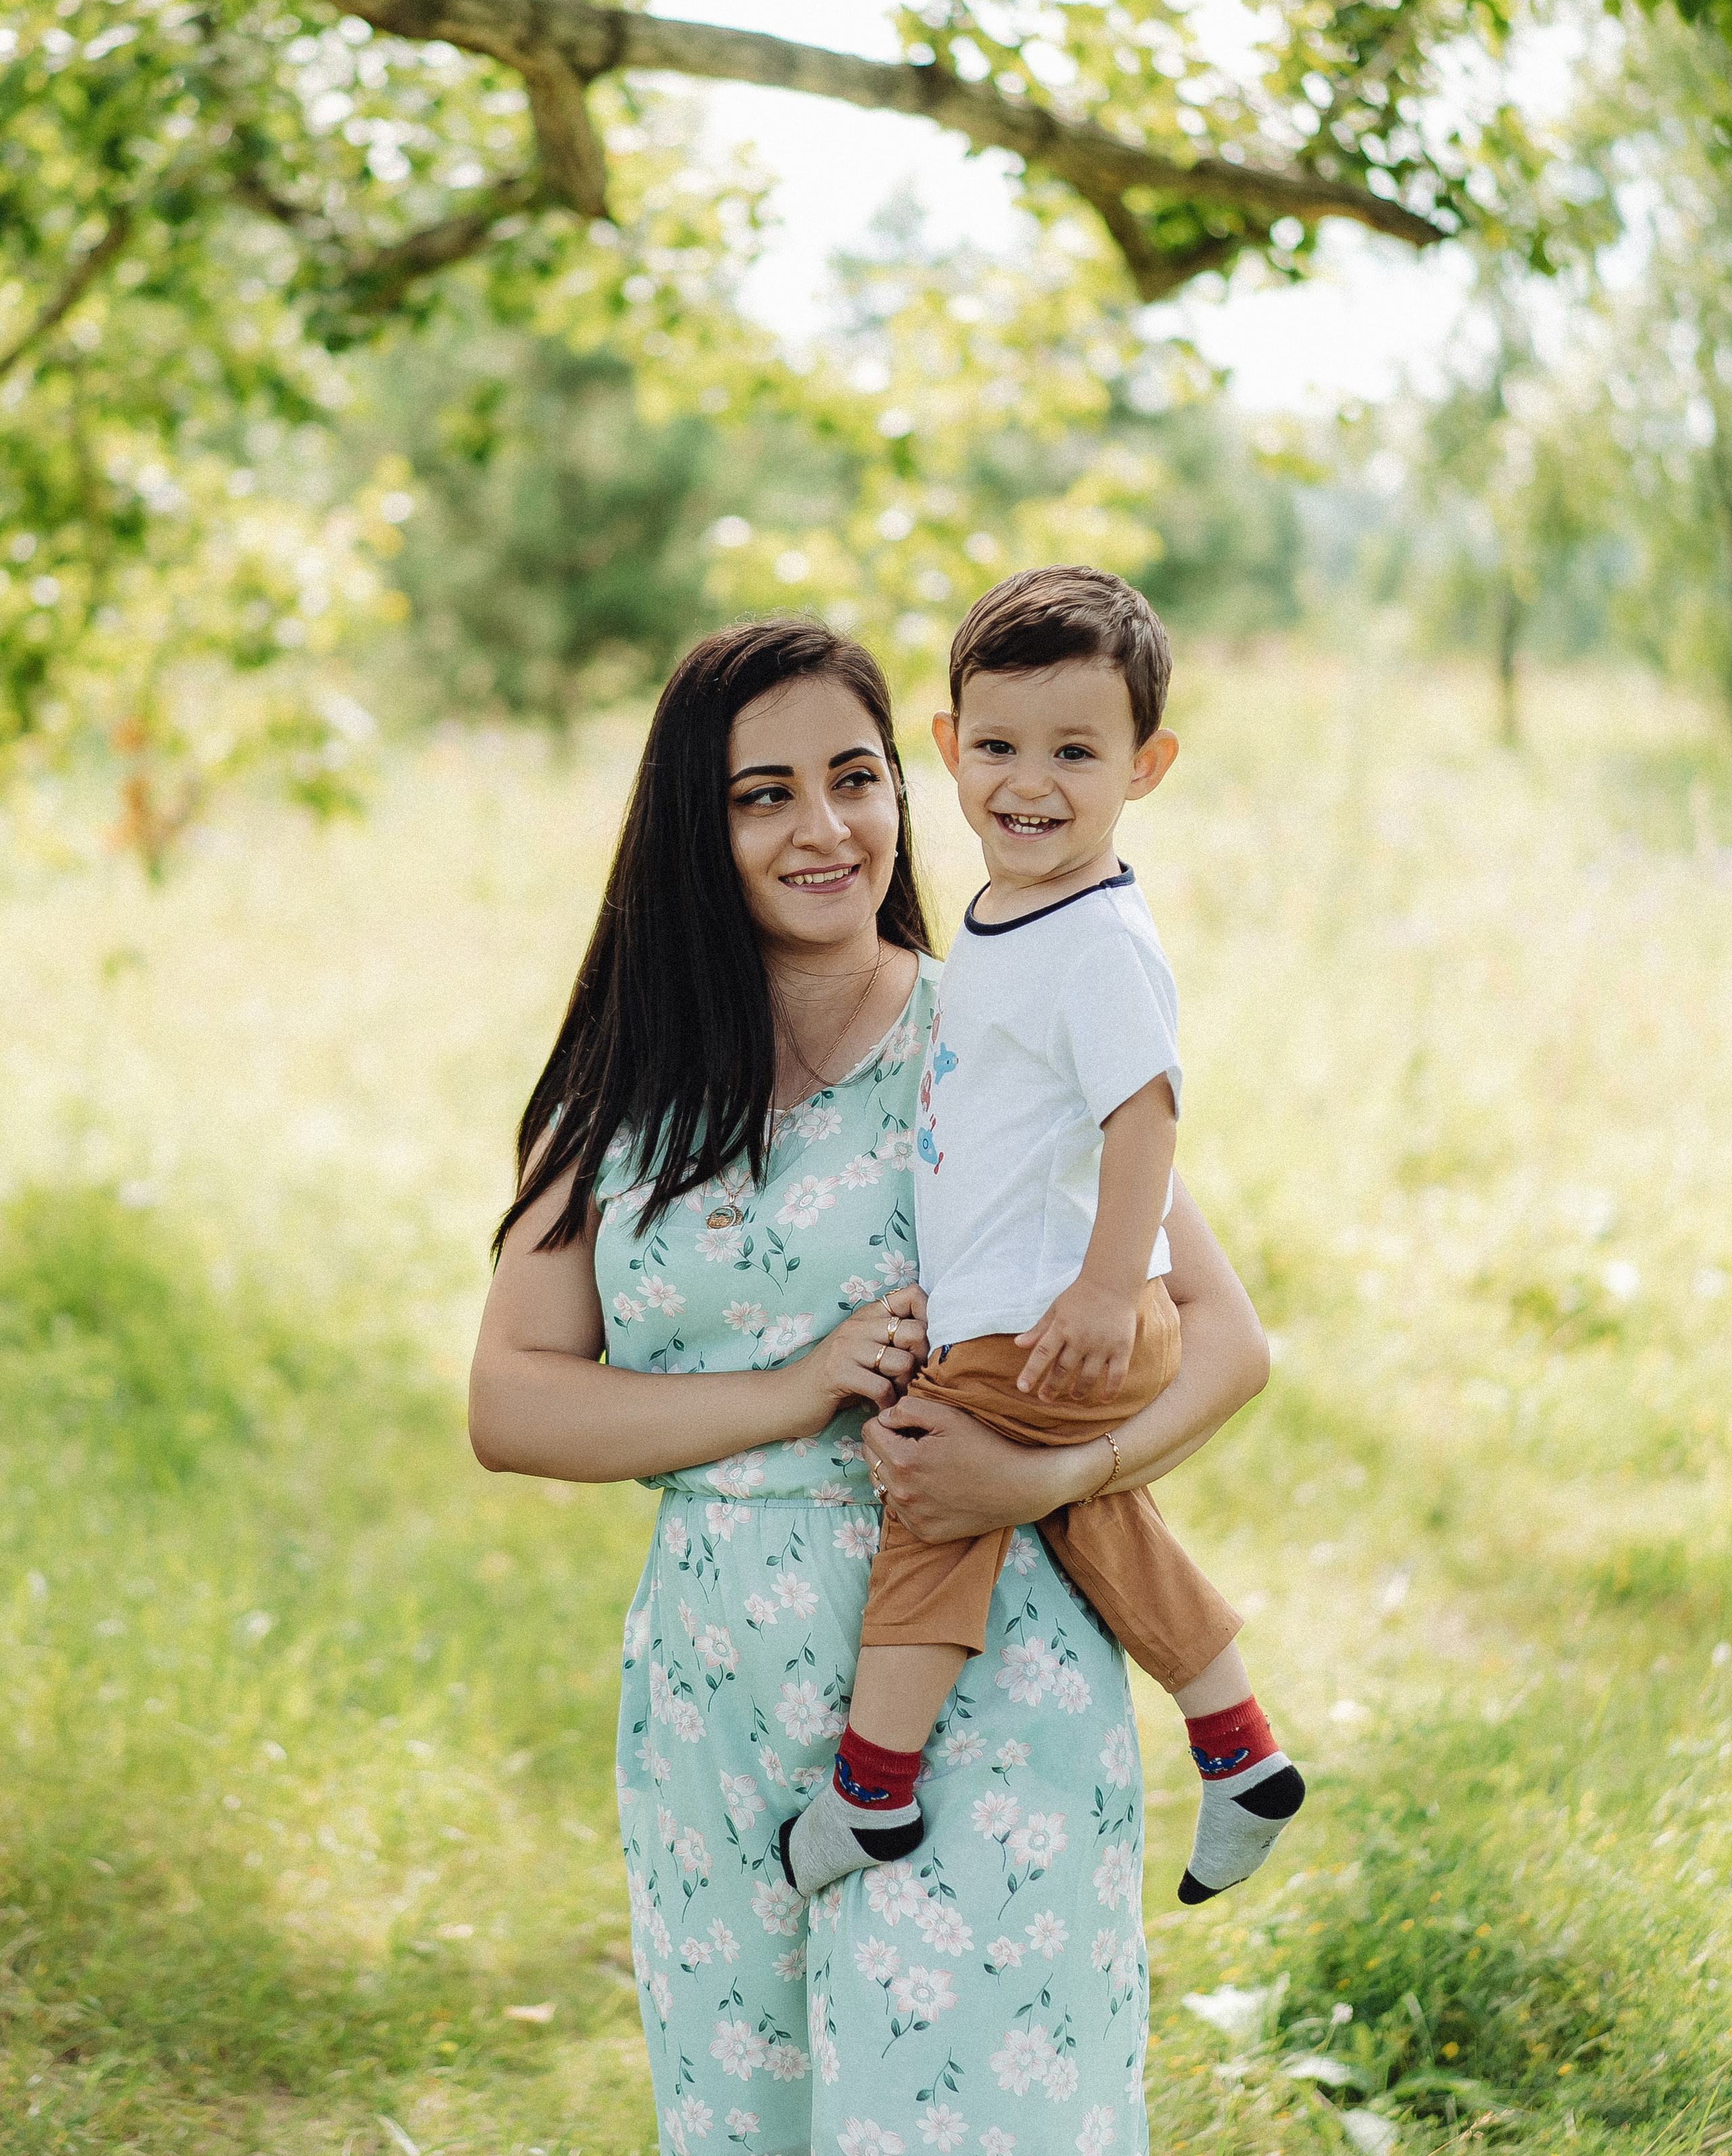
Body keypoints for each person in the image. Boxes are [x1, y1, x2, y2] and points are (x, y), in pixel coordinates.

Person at [469, 615, 1271, 2156]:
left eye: (855, 776)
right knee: (749, 2125)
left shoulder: (996, 1024)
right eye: (762, 793)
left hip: (985, 1693)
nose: (823, 828)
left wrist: (1048, 1480)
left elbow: (1226, 1338)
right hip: (718, 1695)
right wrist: (792, 1389)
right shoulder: (615, 1089)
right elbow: (513, 1400)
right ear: (693, 831)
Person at [783, 569, 1303, 1912]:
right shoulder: (1009, 914)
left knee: (928, 1492)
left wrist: (1098, 1282)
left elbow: (1146, 1118)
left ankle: (872, 1787)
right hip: (1024, 1302)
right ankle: (1237, 1748)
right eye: (1000, 747)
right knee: (1083, 1507)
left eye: (1076, 751)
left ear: (1145, 766)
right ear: (947, 751)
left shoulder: (1098, 940)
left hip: (1044, 1313)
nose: (1031, 782)